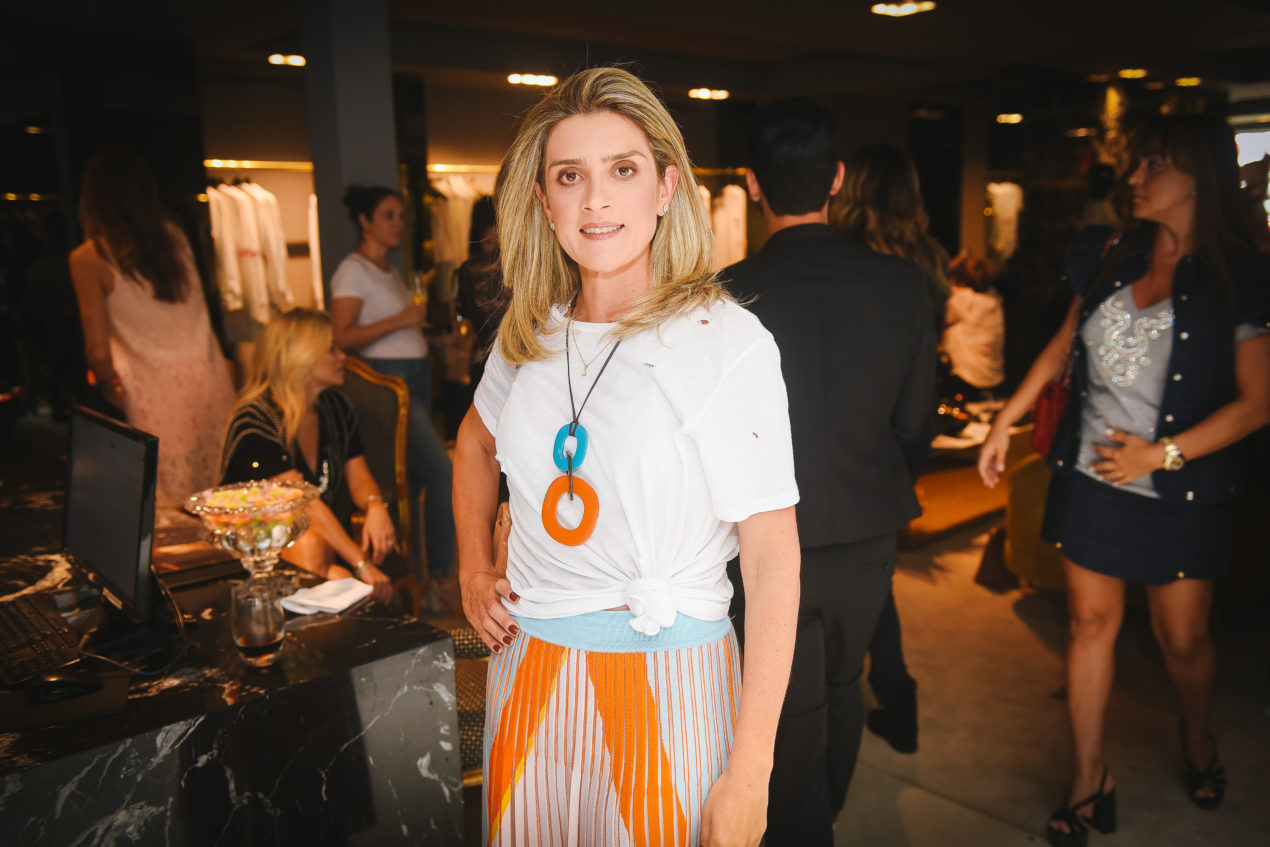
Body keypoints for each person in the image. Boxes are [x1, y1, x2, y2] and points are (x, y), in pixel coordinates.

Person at [454, 67, 801, 846]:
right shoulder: (529, 333)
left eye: (622, 170)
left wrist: (752, 770)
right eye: (568, 176)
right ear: (543, 200)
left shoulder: (722, 340)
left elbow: (773, 556)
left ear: (666, 187)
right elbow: (473, 441)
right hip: (528, 672)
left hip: (666, 680)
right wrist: (474, 565)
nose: (594, 200)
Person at [978, 114, 1270, 847]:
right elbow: (1063, 343)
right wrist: (1005, 418)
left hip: (1180, 490)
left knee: (1182, 640)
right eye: (1139, 163)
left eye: (1154, 164)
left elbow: (1258, 403)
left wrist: (1160, 455)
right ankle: (1088, 778)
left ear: (1198, 177)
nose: (1135, 177)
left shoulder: (1240, 275)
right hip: (1093, 477)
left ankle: (1198, 739)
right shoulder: (1111, 252)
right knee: (1088, 625)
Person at [724, 102, 936, 844]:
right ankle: (825, 819)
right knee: (845, 685)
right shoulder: (902, 283)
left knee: (783, 704)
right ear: (838, 179)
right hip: (864, 532)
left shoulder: (722, 294)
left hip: (758, 541)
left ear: (752, 183)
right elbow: (916, 425)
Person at [831, 141, 946, 758]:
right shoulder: (926, 259)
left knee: (867, 575)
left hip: (854, 430)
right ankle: (898, 699)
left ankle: (893, 693)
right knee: (877, 573)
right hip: (905, 423)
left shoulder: (849, 256)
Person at [68, 145, 236, 522]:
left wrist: (108, 385)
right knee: (220, 506)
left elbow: (97, 351)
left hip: (150, 395)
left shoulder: (89, 258)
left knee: (166, 517)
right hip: (207, 381)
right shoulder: (173, 237)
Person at [328, 186, 456, 595]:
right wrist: (403, 320)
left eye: (401, 215)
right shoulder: (352, 270)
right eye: (388, 215)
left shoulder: (390, 270)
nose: (399, 223)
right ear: (364, 222)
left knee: (415, 483)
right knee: (442, 471)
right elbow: (342, 336)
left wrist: (433, 341)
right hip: (386, 383)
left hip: (414, 375)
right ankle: (443, 576)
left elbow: (401, 330)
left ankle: (421, 582)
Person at [220, 309, 394, 604]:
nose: (342, 356)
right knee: (318, 554)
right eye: (332, 349)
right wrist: (362, 564)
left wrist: (376, 505)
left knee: (333, 572)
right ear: (301, 357)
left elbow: (359, 478)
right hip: (254, 550)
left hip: (316, 543)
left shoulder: (335, 407)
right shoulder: (254, 418)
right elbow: (303, 501)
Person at [943, 251, 1005, 399]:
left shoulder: (963, 300)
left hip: (968, 376)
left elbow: (938, 278)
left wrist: (958, 259)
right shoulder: (994, 300)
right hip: (995, 377)